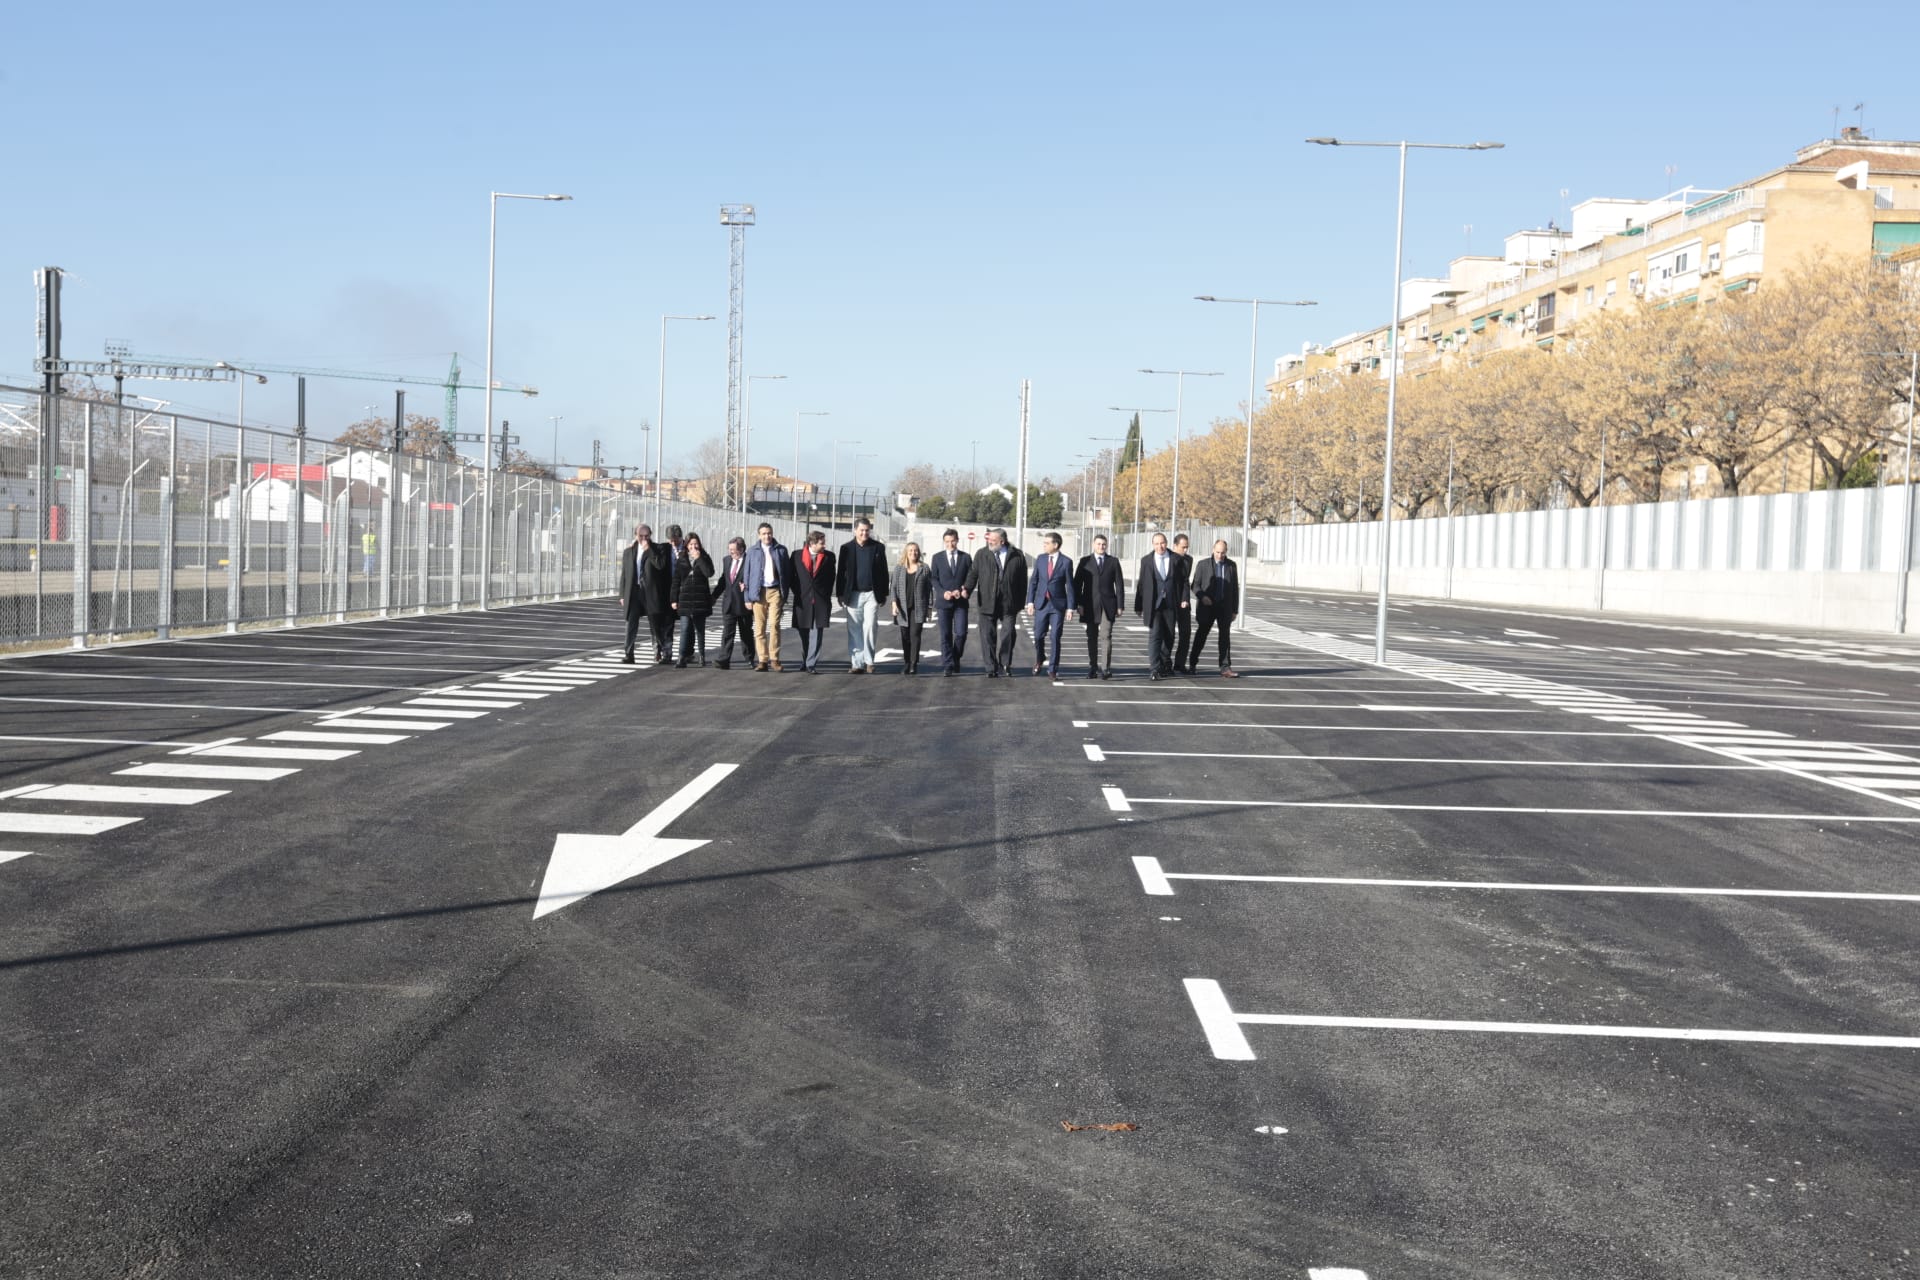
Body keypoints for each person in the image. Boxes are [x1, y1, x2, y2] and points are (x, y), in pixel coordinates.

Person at [966, 527, 1027, 678]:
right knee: (987, 635)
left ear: (1002, 541)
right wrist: (967, 589)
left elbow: (1023, 581)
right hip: (987, 601)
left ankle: (1005, 663)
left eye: (993, 541)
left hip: (1009, 603)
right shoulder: (982, 554)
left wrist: (1020, 603)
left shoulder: (1017, 555)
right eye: (988, 540)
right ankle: (990, 667)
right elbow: (973, 574)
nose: (989, 543)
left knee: (1008, 634)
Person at [835, 517, 890, 675]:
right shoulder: (846, 548)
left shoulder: (878, 547)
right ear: (855, 531)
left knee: (870, 627)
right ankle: (857, 663)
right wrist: (840, 594)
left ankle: (870, 661)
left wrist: (884, 593)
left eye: (867, 530)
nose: (864, 533)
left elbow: (883, 571)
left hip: (872, 594)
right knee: (854, 629)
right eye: (861, 530)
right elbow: (841, 573)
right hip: (853, 595)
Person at [1133, 531, 1188, 681]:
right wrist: (1138, 605)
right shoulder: (1146, 561)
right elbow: (1142, 584)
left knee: (1169, 636)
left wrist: (1184, 598)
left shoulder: (1176, 559)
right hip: (1153, 605)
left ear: (1167, 543)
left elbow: (1184, 581)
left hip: (1171, 603)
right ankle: (1154, 668)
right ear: (1153, 544)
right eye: (1156, 544)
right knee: (1155, 635)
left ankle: (1164, 663)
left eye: (1162, 543)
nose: (1160, 546)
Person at [618, 522, 674, 665]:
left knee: (655, 624)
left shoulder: (658, 549)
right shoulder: (628, 552)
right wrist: (622, 595)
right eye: (641, 535)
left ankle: (658, 652)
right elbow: (625, 575)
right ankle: (629, 653)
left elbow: (660, 565)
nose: (644, 538)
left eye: (647, 536)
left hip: (651, 592)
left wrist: (649, 549)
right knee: (631, 624)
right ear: (635, 535)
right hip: (634, 592)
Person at [741, 522, 793, 672]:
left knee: (775, 625)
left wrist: (784, 594)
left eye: (769, 533)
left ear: (772, 533)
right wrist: (747, 597)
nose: (767, 536)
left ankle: (775, 659)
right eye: (764, 533)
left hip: (775, 591)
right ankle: (762, 660)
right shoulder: (752, 551)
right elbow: (747, 575)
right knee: (759, 628)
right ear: (759, 535)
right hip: (758, 593)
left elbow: (787, 573)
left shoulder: (781, 550)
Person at [1025, 531, 1076, 679]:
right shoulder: (1040, 559)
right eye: (1044, 542)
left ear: (1056, 545)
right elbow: (1033, 581)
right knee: (1038, 635)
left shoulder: (1066, 562)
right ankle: (1040, 658)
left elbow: (1070, 586)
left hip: (1058, 606)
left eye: (1047, 543)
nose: (1044, 545)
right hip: (1041, 604)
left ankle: (1053, 668)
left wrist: (1070, 607)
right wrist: (1030, 602)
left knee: (1055, 636)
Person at [1074, 534, 1125, 681]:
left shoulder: (1113, 562)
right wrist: (1079, 604)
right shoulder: (1085, 561)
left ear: (1107, 545)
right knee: (1092, 637)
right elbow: (1077, 584)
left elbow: (1119, 585)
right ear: (1093, 544)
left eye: (1103, 544)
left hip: (1108, 605)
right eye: (1098, 544)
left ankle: (1105, 669)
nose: (1101, 546)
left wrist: (1120, 605)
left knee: (1106, 636)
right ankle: (1092, 668)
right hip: (1089, 604)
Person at [1189, 538, 1240, 678]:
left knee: (1225, 637)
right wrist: (1202, 597)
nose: (1220, 555)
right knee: (1201, 635)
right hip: (1207, 606)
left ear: (1226, 552)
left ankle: (1225, 667)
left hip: (1225, 607)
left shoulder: (1231, 566)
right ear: (1213, 550)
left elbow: (1235, 588)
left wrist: (1235, 609)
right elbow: (1195, 585)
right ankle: (1192, 663)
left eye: (1223, 553)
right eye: (1217, 552)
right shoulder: (1203, 564)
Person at [790, 529, 837, 673]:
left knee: (817, 632)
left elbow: (831, 578)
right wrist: (797, 592)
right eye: (821, 543)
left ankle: (811, 663)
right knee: (804, 632)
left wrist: (825, 594)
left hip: (821, 600)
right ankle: (806, 659)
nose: (824, 545)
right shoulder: (796, 555)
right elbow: (791, 577)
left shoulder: (829, 557)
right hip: (802, 601)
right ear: (812, 543)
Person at [927, 527, 972, 676]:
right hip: (944, 602)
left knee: (961, 633)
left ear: (957, 540)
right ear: (944, 542)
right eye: (947, 541)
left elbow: (970, 577)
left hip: (960, 603)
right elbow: (934, 578)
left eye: (953, 541)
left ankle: (955, 657)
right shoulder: (937, 557)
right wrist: (942, 592)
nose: (950, 544)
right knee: (945, 635)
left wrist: (964, 589)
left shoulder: (966, 557)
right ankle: (948, 665)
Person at [671, 533, 716, 668]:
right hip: (685, 599)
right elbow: (676, 580)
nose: (693, 546)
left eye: (695, 544)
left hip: (700, 599)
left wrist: (699, 558)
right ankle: (681, 657)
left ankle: (702, 656)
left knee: (700, 629)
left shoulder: (705, 557)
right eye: (690, 544)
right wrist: (674, 599)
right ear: (686, 545)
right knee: (685, 629)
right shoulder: (682, 559)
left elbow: (709, 573)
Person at [889, 541, 934, 676]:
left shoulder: (924, 568)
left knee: (915, 635)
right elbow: (894, 588)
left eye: (915, 550)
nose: (913, 553)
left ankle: (914, 664)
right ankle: (906, 662)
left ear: (918, 552)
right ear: (906, 553)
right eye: (910, 551)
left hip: (918, 608)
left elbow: (929, 589)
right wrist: (894, 603)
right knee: (905, 636)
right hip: (902, 608)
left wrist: (930, 608)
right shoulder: (899, 568)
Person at [713, 536, 757, 670]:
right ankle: (724, 659)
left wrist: (748, 588)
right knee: (727, 633)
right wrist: (714, 596)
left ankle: (749, 658)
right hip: (729, 603)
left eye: (734, 550)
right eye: (729, 549)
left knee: (746, 633)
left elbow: (754, 578)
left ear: (742, 549)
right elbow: (723, 580)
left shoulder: (749, 560)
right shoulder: (727, 560)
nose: (731, 552)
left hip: (743, 603)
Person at [1170, 533, 1196, 676]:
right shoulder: (1168, 558)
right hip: (1169, 601)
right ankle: (1165, 663)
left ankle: (1179, 664)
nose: (1185, 550)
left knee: (1185, 633)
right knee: (1169, 634)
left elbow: (1186, 580)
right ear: (1175, 546)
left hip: (1183, 602)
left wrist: (1185, 599)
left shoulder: (1189, 560)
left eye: (1187, 547)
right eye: (1182, 547)